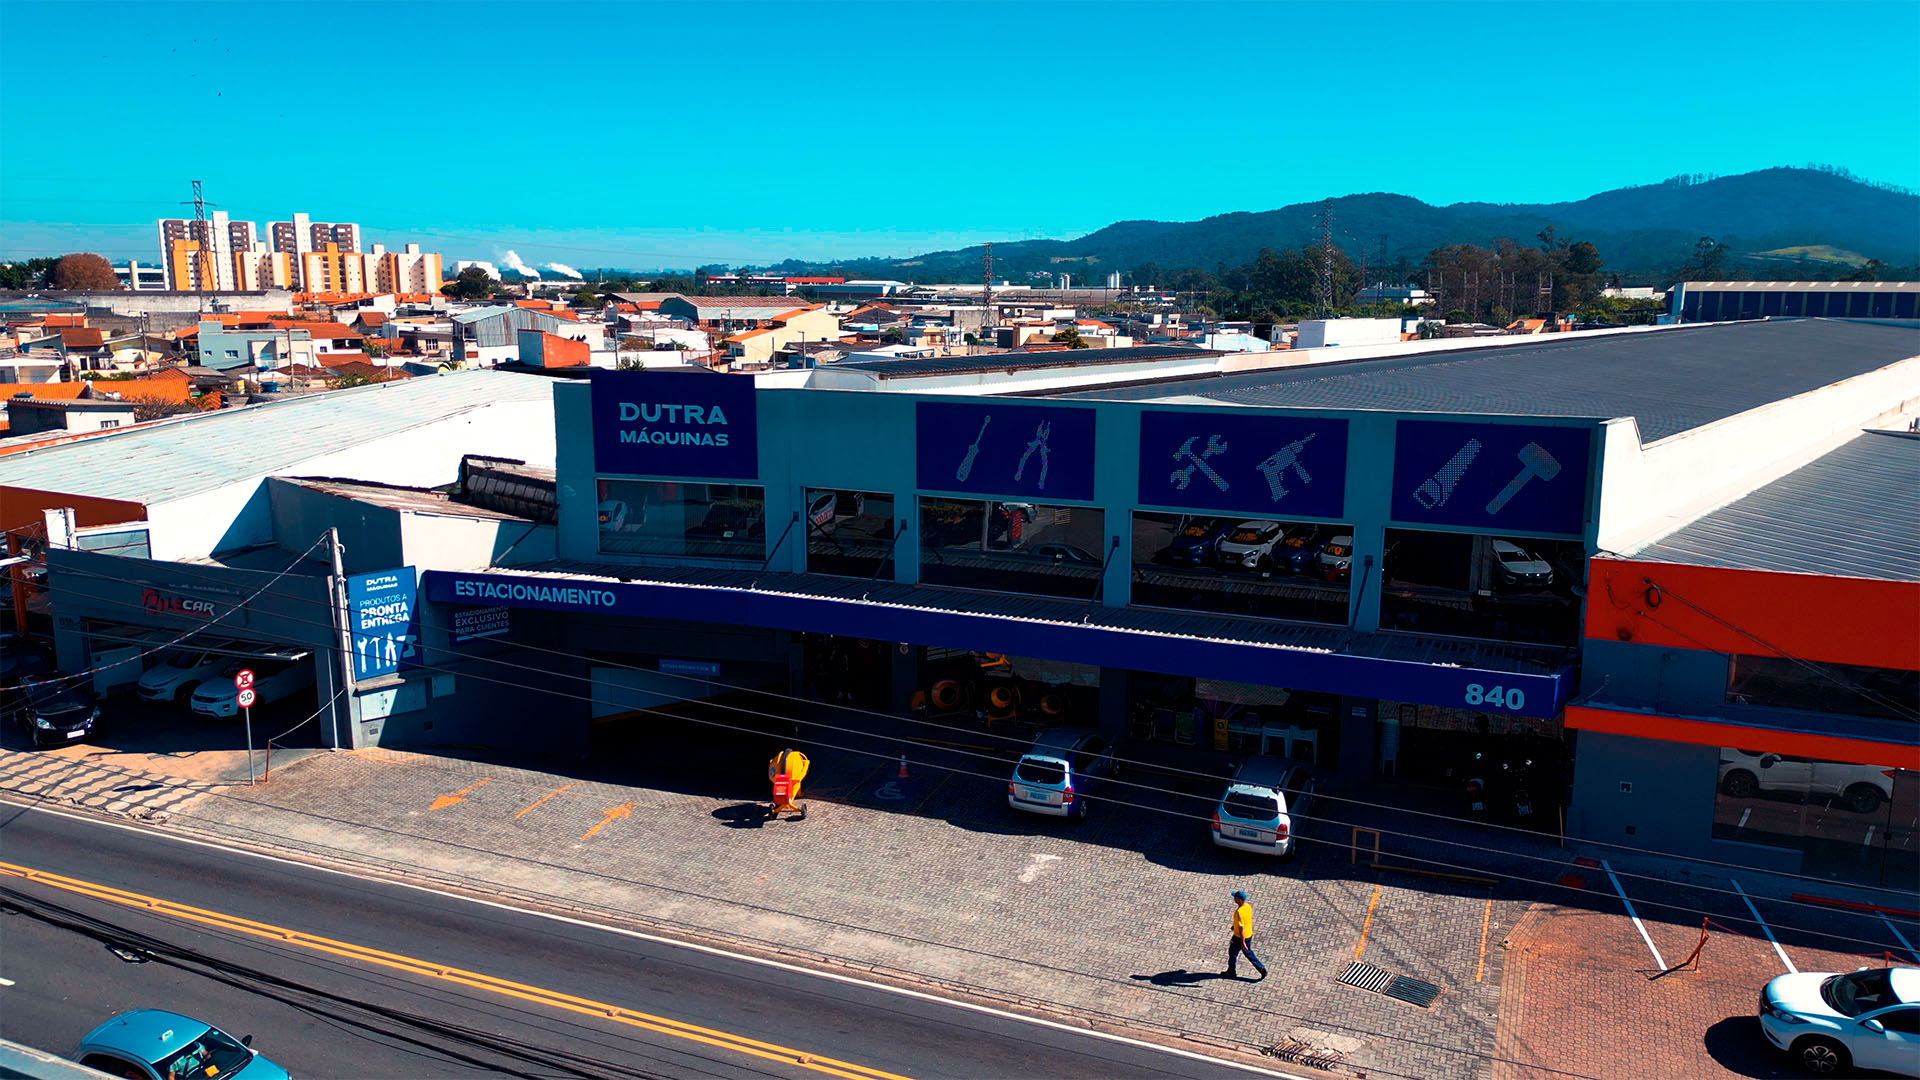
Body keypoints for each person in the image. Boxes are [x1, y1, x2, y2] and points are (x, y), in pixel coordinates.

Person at [1224, 889, 1267, 980]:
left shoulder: (1239, 912)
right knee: (1248, 952)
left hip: (1239, 937)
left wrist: (1242, 941)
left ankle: (1231, 972)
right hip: (1249, 934)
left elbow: (1241, 927)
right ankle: (1261, 968)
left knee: (1232, 953)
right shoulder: (1247, 907)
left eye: (1235, 897)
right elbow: (1244, 920)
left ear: (1239, 900)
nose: (1234, 899)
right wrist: (1234, 926)